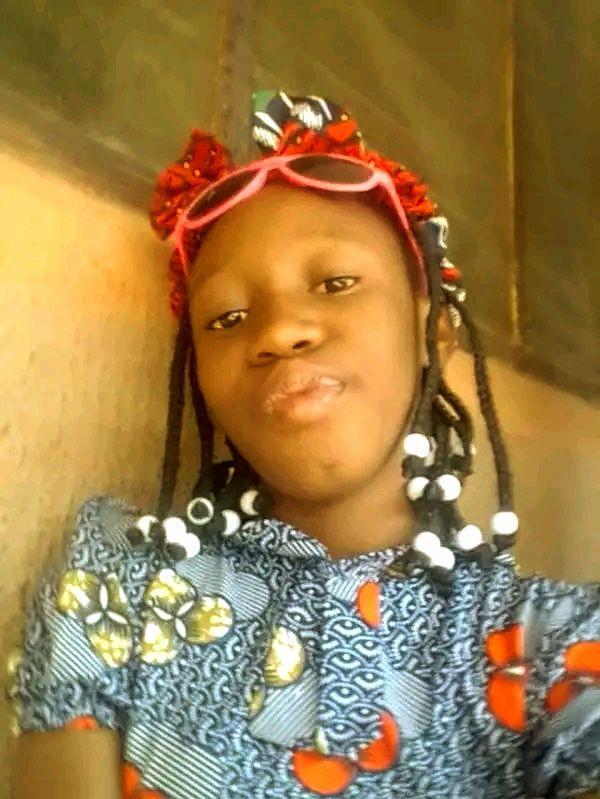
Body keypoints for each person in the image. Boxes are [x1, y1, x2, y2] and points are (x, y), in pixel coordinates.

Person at [6, 90, 599, 799]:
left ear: (432, 334)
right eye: (227, 317)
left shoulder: (541, 648)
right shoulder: (120, 579)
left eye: (336, 282)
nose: (280, 330)